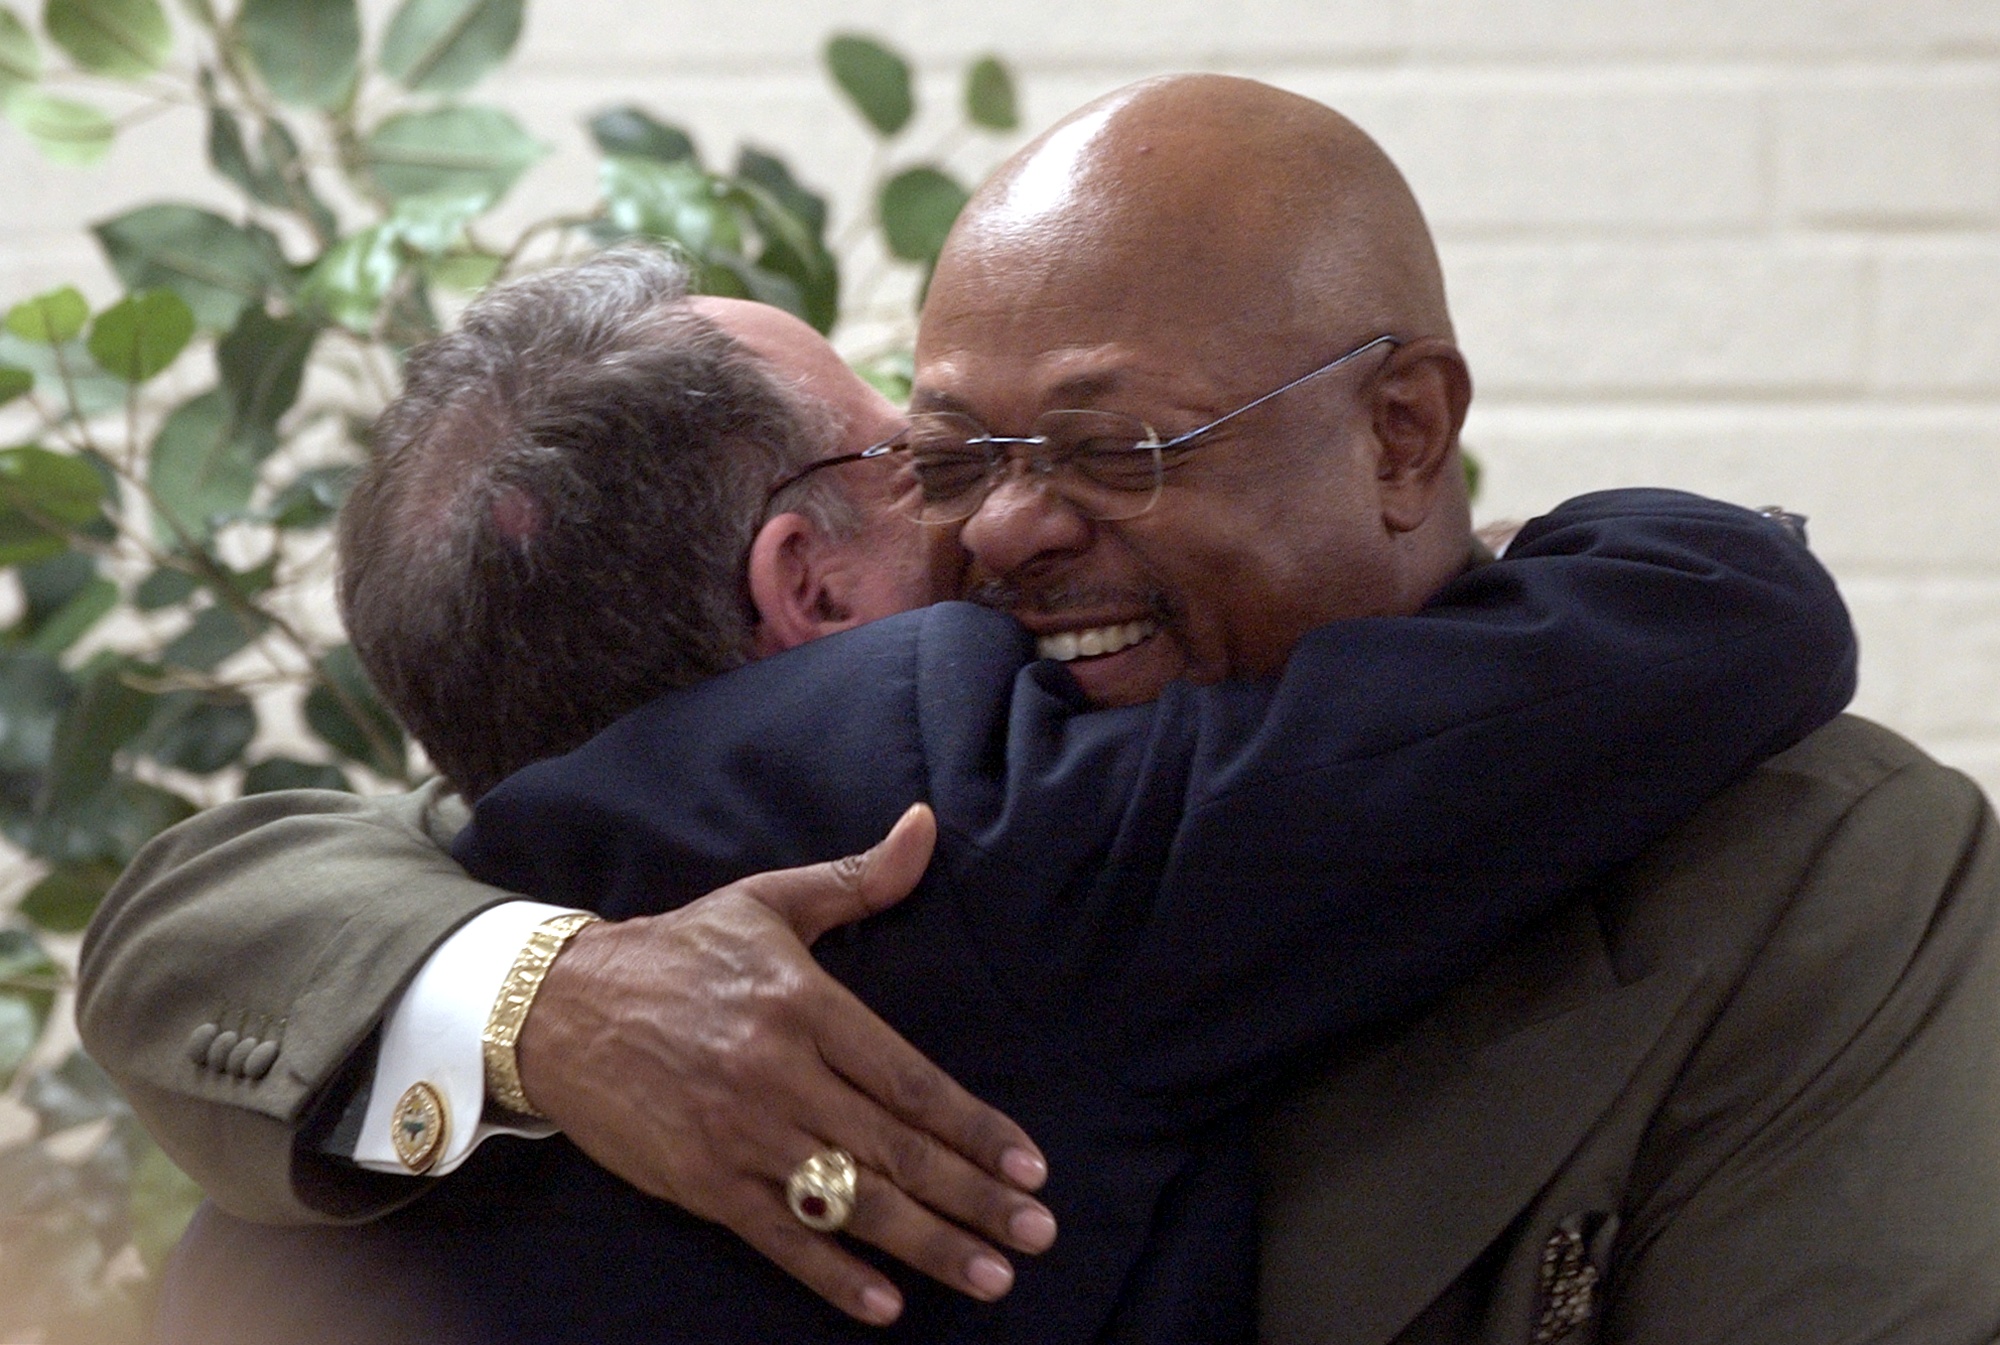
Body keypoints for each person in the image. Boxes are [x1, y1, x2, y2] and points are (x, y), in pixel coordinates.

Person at [80, 75, 1983, 1339]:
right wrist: (537, 1000)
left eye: (1113, 443)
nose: (1000, 522)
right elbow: (210, 913)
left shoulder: (1817, 869)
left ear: (1405, 429)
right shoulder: (890, 809)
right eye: (947, 452)